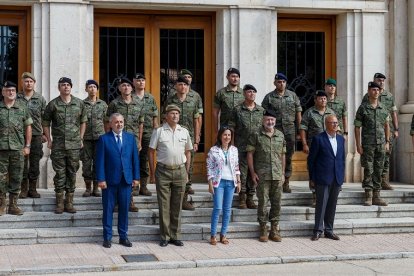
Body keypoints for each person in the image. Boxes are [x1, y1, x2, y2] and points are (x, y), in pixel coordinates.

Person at [149, 104, 193, 247]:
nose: (175, 116)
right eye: (172, 113)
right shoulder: (159, 131)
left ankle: (176, 235)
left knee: (177, 205)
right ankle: (165, 236)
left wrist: (186, 172)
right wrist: (152, 173)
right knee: (164, 205)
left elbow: (188, 152)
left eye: (177, 114)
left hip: (180, 171)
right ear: (166, 116)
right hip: (163, 171)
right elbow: (151, 151)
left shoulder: (184, 131)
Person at [43, 77, 87, 214]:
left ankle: (69, 201)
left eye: (68, 85)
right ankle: (60, 202)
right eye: (63, 85)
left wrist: (80, 138)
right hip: (58, 146)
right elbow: (45, 123)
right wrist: (49, 140)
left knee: (72, 172)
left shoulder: (79, 104)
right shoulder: (53, 104)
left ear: (71, 87)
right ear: (59, 87)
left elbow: (83, 122)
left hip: (74, 145)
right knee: (60, 174)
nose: (66, 87)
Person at [96, 113, 140, 248]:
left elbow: (134, 160)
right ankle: (107, 237)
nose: (119, 124)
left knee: (124, 209)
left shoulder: (130, 138)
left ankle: (123, 236)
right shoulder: (104, 139)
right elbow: (100, 161)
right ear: (110, 124)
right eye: (116, 122)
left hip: (126, 180)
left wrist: (136, 177)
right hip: (109, 181)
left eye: (121, 122)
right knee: (108, 210)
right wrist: (101, 179)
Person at [247, 110, 286, 242]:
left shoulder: (280, 135)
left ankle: (274, 229)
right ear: (263, 121)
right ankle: (263, 228)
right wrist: (252, 173)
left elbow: (282, 155)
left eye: (272, 120)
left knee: (277, 203)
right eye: (268, 120)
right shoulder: (256, 134)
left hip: (277, 175)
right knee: (263, 202)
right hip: (262, 175)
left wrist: (282, 173)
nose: (270, 122)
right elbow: (250, 154)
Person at [163, 76, 200, 210]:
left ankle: (184, 199)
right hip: (172, 137)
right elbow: (164, 118)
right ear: (176, 86)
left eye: (185, 84)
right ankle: (173, 198)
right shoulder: (170, 99)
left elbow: (197, 120)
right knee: (174, 164)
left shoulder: (194, 99)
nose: (183, 87)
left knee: (187, 168)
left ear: (188, 86)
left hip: (187, 137)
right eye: (180, 84)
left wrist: (196, 139)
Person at [106, 77, 142, 212]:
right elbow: (108, 122)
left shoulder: (138, 103)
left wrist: (138, 140)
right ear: (119, 88)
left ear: (132, 88)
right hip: (116, 141)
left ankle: (129, 200)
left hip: (131, 142)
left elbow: (141, 123)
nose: (126, 87)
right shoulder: (114, 104)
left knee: (130, 170)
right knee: (116, 170)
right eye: (123, 85)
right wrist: (109, 140)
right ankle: (115, 201)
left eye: (128, 85)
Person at [261, 73, 302, 193]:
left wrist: (300, 131)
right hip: (274, 131)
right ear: (275, 83)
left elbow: (298, 113)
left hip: (289, 131)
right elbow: (263, 115)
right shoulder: (269, 97)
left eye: (283, 82)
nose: (281, 84)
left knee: (288, 156)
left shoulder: (292, 96)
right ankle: (275, 182)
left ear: (286, 83)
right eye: (279, 82)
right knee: (273, 156)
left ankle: (286, 181)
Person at [308, 115, 345, 241]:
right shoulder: (318, 139)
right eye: (332, 123)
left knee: (332, 205)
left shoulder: (341, 139)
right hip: (322, 177)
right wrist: (312, 178)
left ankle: (329, 230)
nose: (335, 125)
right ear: (326, 124)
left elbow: (342, 159)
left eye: (336, 122)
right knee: (321, 204)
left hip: (336, 177)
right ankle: (318, 230)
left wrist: (342, 176)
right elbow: (311, 160)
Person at [355, 81, 390, 206]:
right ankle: (368, 195)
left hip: (381, 143)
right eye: (373, 90)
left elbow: (387, 126)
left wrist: (387, 142)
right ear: (369, 91)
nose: (376, 92)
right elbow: (357, 127)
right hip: (368, 144)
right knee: (368, 168)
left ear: (380, 92)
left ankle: (377, 195)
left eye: (378, 90)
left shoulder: (383, 108)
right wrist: (358, 145)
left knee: (379, 168)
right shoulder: (363, 108)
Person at [0, 81, 33, 215]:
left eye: (13, 90)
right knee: (0, 178)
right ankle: (2, 204)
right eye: (8, 90)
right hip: (1, 149)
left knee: (16, 177)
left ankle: (13, 205)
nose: (11, 92)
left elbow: (28, 127)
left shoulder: (22, 108)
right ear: (3, 92)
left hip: (17, 149)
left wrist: (28, 145)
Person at [362, 73, 398, 190]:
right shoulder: (367, 96)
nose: (381, 82)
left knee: (386, 156)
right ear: (374, 80)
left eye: (383, 80)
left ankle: (383, 180)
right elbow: (363, 114)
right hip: (371, 132)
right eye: (379, 80)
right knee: (370, 158)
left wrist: (396, 129)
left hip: (387, 130)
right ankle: (369, 181)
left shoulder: (389, 96)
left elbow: (393, 112)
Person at [229, 84, 263, 209]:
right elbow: (231, 127)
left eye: (254, 92)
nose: (252, 94)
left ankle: (251, 196)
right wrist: (231, 144)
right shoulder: (237, 109)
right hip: (241, 146)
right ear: (244, 94)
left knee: (253, 172)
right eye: (249, 92)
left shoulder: (261, 110)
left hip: (256, 148)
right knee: (242, 172)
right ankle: (242, 196)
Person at [299, 90, 336, 207]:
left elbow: (336, 128)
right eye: (320, 98)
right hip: (314, 146)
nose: (323, 100)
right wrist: (304, 144)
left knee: (329, 168)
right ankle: (315, 196)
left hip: (329, 147)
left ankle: (328, 194)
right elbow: (303, 128)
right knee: (314, 170)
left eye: (325, 98)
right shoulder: (309, 113)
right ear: (315, 100)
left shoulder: (331, 112)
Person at [207, 126, 241, 245]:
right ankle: (213, 235)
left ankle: (223, 234)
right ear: (220, 136)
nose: (227, 137)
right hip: (218, 183)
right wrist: (210, 183)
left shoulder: (234, 150)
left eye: (229, 135)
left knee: (227, 209)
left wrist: (238, 181)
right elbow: (210, 168)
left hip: (230, 182)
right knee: (217, 208)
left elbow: (236, 166)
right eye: (225, 135)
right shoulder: (213, 150)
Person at [17, 72, 46, 199]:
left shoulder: (40, 99)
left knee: (34, 162)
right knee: (21, 163)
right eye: (26, 81)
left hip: (36, 135)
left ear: (34, 83)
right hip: (19, 135)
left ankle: (32, 189)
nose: (28, 83)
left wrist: (45, 134)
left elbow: (45, 118)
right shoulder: (16, 98)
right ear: (22, 83)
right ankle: (23, 189)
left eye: (31, 81)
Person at [132, 73, 159, 197]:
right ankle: (134, 185)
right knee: (133, 158)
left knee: (144, 159)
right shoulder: (130, 97)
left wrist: (156, 131)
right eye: (138, 80)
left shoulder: (150, 98)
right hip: (133, 132)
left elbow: (155, 117)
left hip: (148, 133)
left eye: (143, 80)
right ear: (134, 82)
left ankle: (144, 186)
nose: (141, 82)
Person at [81, 79, 107, 197]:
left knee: (98, 163)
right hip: (86, 138)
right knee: (86, 163)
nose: (92, 89)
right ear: (86, 89)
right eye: (90, 87)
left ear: (97, 89)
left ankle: (96, 188)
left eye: (94, 87)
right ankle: (87, 188)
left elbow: (107, 122)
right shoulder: (81, 104)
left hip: (100, 138)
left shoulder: (103, 104)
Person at [213, 67, 244, 134]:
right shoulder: (221, 93)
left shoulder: (243, 93)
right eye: (233, 76)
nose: (235, 79)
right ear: (227, 77)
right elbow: (215, 113)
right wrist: (216, 130)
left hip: (241, 128)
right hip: (225, 127)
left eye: (237, 76)